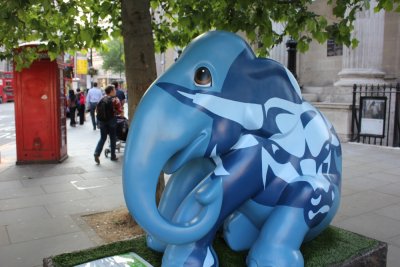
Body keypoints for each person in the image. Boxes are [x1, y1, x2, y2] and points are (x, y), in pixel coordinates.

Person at [94, 85, 123, 164]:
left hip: (102, 121)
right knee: (113, 138)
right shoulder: (115, 99)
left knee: (103, 138)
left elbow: (97, 110)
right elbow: (119, 111)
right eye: (114, 90)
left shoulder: (101, 99)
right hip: (112, 121)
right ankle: (113, 156)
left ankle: (97, 153)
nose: (115, 91)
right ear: (111, 91)